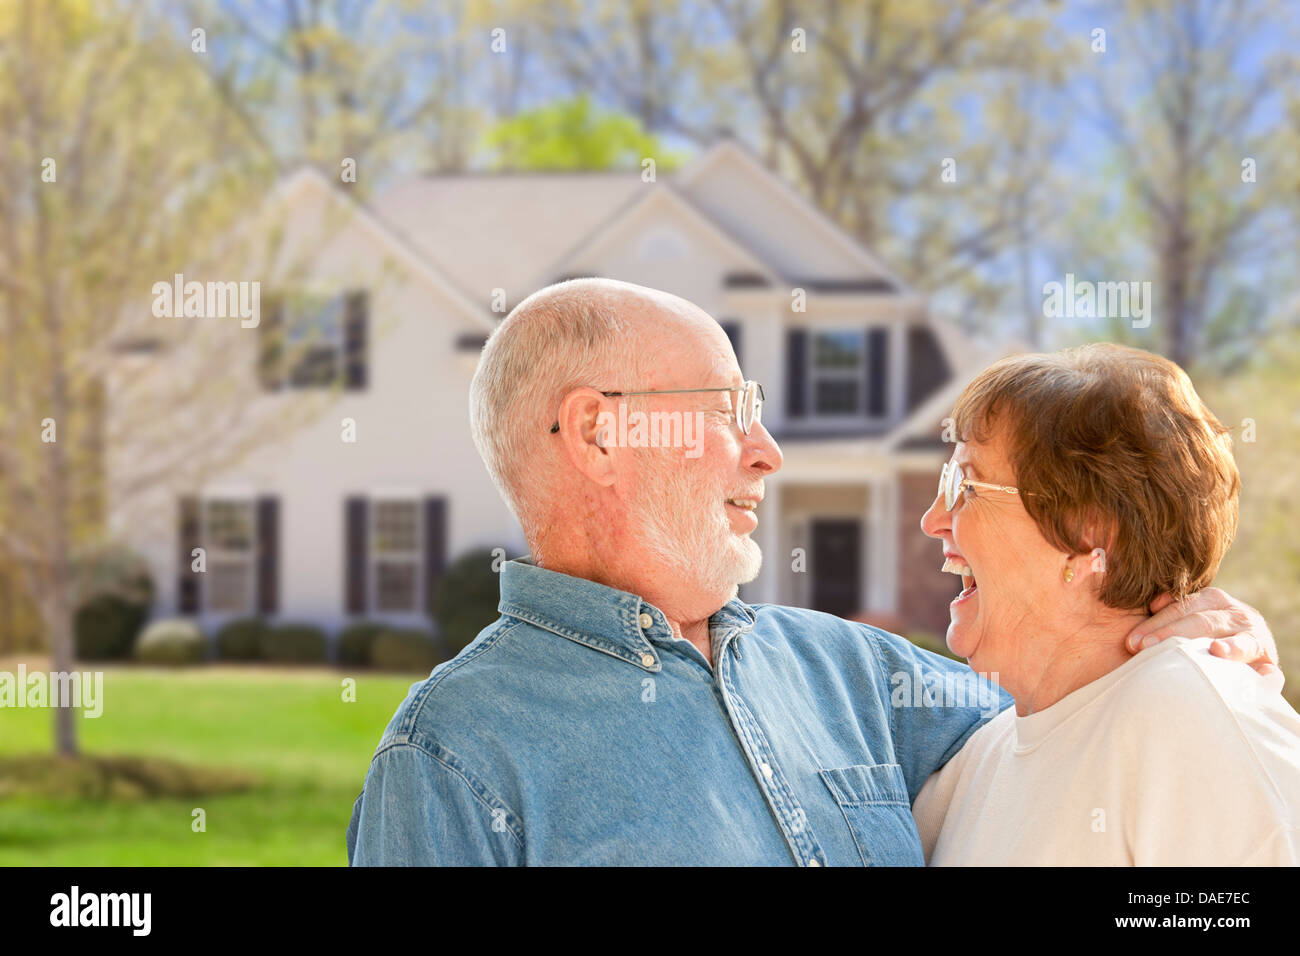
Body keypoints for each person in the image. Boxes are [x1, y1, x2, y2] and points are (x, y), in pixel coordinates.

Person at [347, 278, 1277, 865]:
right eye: (727, 408)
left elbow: (1078, 709)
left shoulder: (854, 674)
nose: (768, 451)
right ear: (601, 430)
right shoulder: (448, 764)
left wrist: (1182, 623)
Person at [911, 344, 1298, 865]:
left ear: (1089, 530)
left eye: (965, 485)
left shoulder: (1189, 716)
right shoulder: (975, 763)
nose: (933, 519)